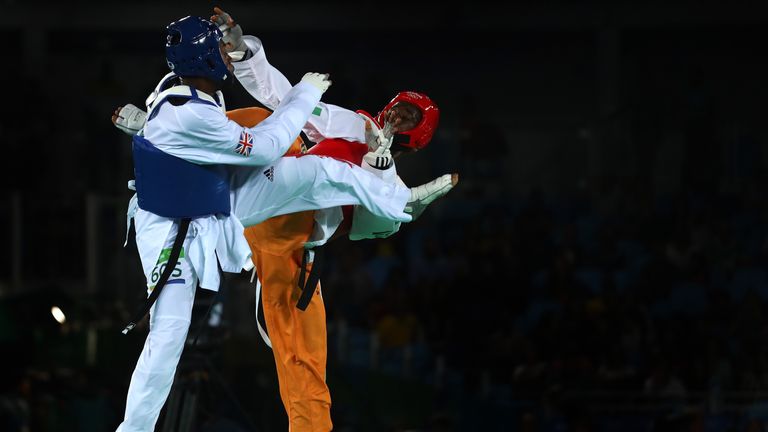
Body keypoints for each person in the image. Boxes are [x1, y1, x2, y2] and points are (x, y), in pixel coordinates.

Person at [112, 14, 453, 432]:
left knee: (306, 364)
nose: (397, 119)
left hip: (289, 242)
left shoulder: (391, 181)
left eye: (409, 120)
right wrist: (242, 53)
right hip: (254, 188)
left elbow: (378, 224)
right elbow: (285, 97)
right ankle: (163, 135)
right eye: (400, 109)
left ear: (416, 139)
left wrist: (380, 173)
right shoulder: (355, 124)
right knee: (264, 118)